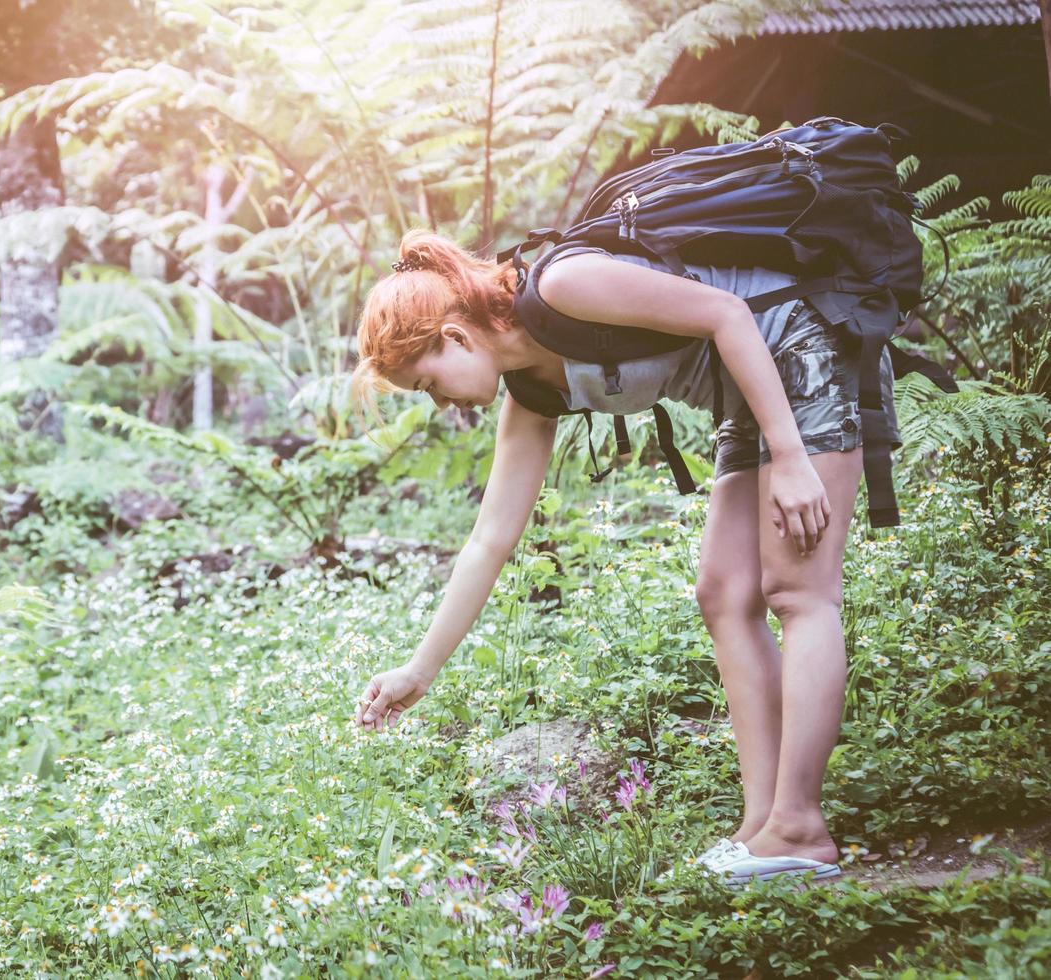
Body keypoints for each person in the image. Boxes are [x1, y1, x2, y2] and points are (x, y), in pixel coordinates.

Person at [348, 228, 896, 883]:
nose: (440, 404)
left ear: (456, 338)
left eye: (429, 384)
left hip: (806, 346)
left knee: (797, 590)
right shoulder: (532, 392)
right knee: (723, 594)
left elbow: (727, 312)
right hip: (750, 395)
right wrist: (419, 671)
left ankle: (800, 828)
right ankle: (762, 827)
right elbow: (488, 541)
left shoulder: (563, 287)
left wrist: (791, 457)